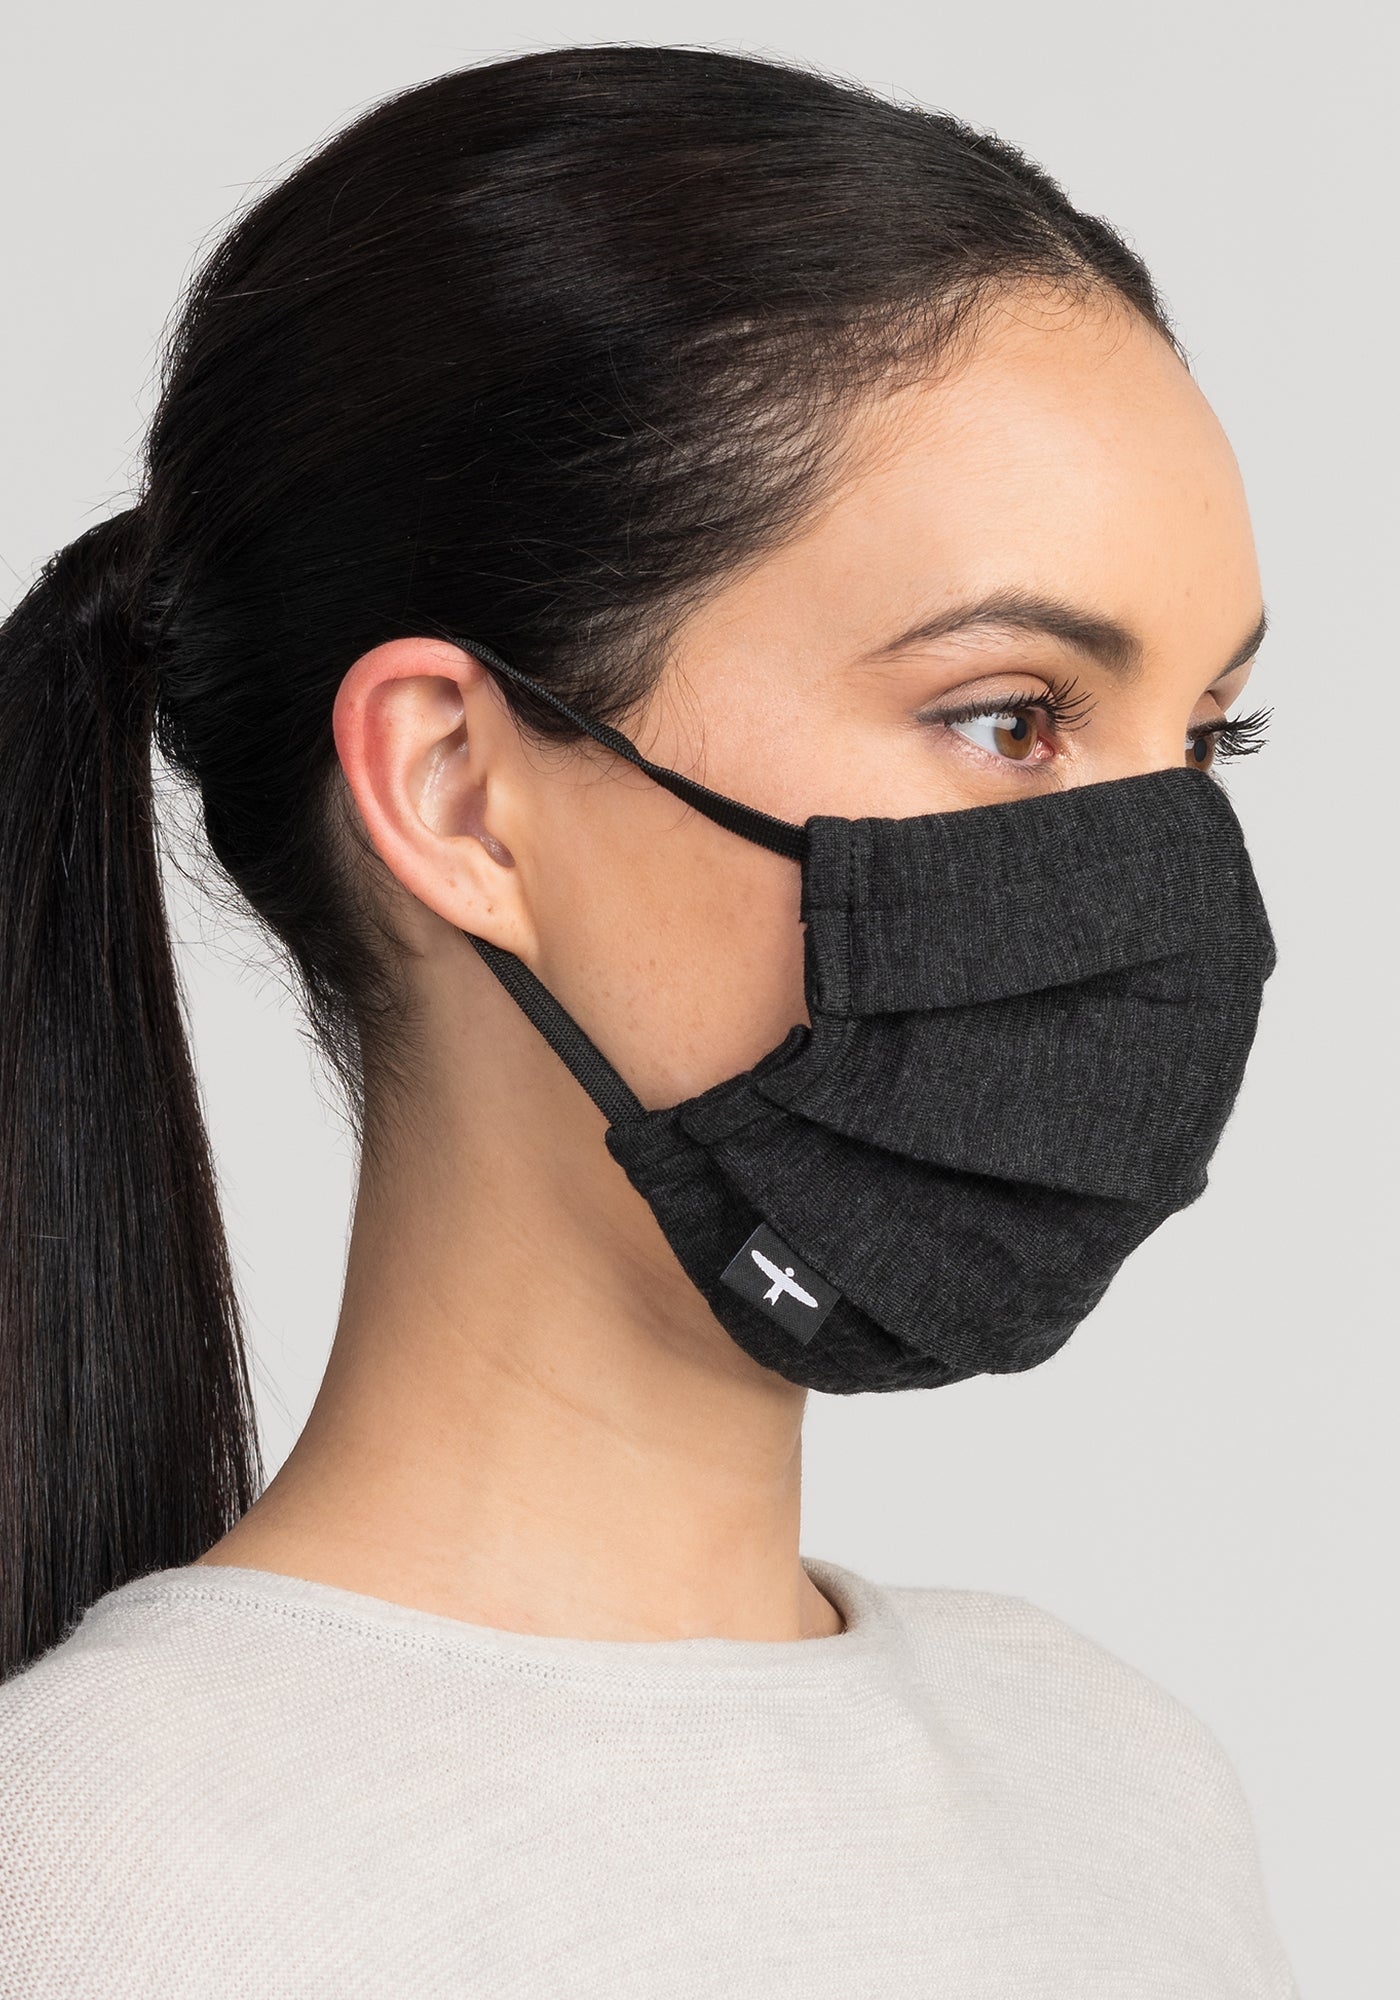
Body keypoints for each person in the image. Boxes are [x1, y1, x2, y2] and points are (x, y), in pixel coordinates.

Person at [0, 43, 1298, 1999]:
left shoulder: (1118, 1774)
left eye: (1206, 741)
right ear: (457, 789)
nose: (1157, 870)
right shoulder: (110, 1875)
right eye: (1010, 717)